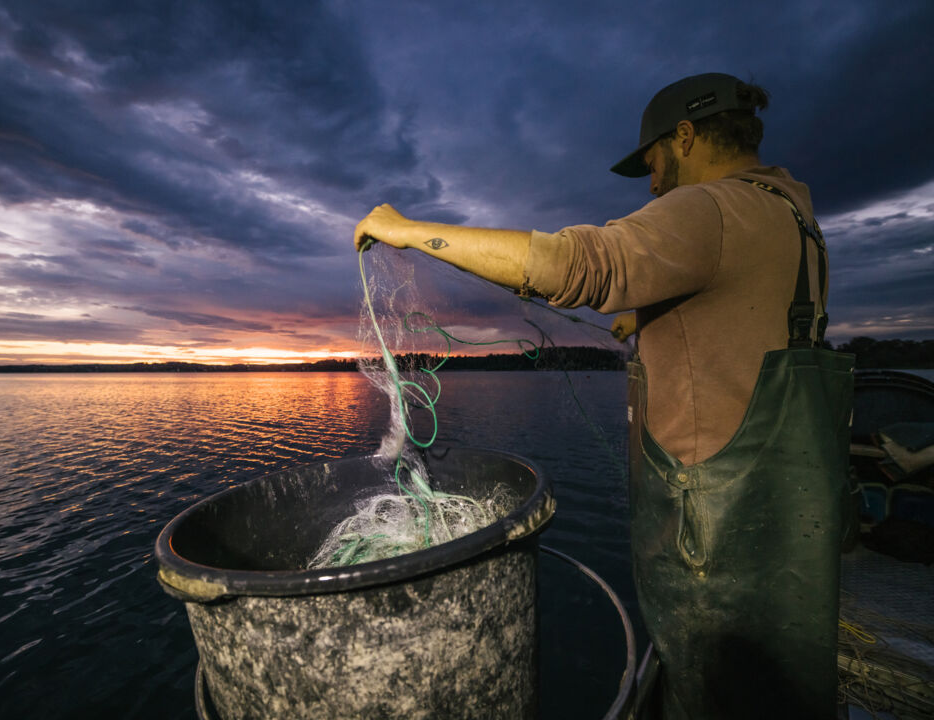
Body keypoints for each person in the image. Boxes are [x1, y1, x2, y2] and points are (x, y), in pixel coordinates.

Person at [354, 73, 854, 719]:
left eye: (652, 163)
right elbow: (742, 323)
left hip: (717, 543)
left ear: (685, 135)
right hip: (788, 537)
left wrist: (409, 229)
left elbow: (583, 263)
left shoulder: (713, 208)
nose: (652, 183)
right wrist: (647, 320)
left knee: (712, 696)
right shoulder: (795, 218)